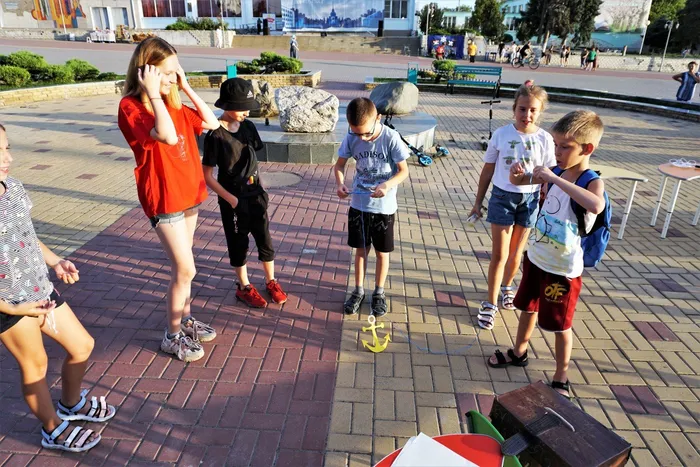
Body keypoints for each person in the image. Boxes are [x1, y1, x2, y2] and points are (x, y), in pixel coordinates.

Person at [0, 123, 117, 452]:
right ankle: (52, 428)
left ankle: (71, 403)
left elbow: (25, 235)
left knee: (82, 345)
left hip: (41, 290)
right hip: (10, 304)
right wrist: (12, 308)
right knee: (35, 366)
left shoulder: (14, 187)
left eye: (7, 148)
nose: (7, 158)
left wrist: (55, 262)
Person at [487, 110, 607, 399]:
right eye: (555, 145)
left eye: (565, 147)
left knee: (560, 325)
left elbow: (596, 205)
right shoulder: (558, 172)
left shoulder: (590, 180)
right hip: (536, 259)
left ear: (587, 149)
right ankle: (519, 351)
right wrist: (517, 176)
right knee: (527, 307)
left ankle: (561, 375)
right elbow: (521, 182)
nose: (557, 152)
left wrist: (555, 178)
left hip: (562, 269)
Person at [117, 37, 220, 362]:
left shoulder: (172, 102)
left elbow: (212, 123)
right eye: (166, 72)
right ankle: (172, 335)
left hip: (188, 194)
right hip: (163, 198)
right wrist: (152, 93)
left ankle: (186, 319)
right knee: (186, 269)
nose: (172, 78)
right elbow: (167, 135)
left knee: (183, 267)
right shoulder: (132, 107)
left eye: (176, 70)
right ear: (145, 72)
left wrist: (185, 86)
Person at [468, 85, 555, 331]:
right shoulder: (501, 134)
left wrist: (541, 192)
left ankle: (507, 286)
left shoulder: (545, 139)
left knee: (517, 253)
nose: (527, 115)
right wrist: (478, 202)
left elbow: (549, 175)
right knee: (499, 254)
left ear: (540, 111)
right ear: (514, 108)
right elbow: (487, 170)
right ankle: (490, 302)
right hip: (502, 198)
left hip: (530, 200)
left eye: (533, 110)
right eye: (522, 109)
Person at [202, 78, 288, 308]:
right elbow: (207, 176)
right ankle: (244, 286)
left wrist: (262, 188)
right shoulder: (215, 135)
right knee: (238, 243)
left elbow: (254, 162)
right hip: (233, 200)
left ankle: (271, 281)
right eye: (242, 108)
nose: (246, 112)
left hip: (256, 195)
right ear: (227, 105)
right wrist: (232, 200)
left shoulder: (248, 127)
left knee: (265, 239)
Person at [334, 98, 410, 317]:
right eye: (357, 133)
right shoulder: (352, 136)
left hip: (384, 208)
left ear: (378, 118)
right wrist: (340, 184)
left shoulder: (391, 138)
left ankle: (379, 292)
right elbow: (339, 166)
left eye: (366, 133)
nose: (362, 138)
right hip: (359, 205)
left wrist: (387, 185)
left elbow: (403, 171)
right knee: (361, 250)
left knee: (382, 253)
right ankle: (358, 290)